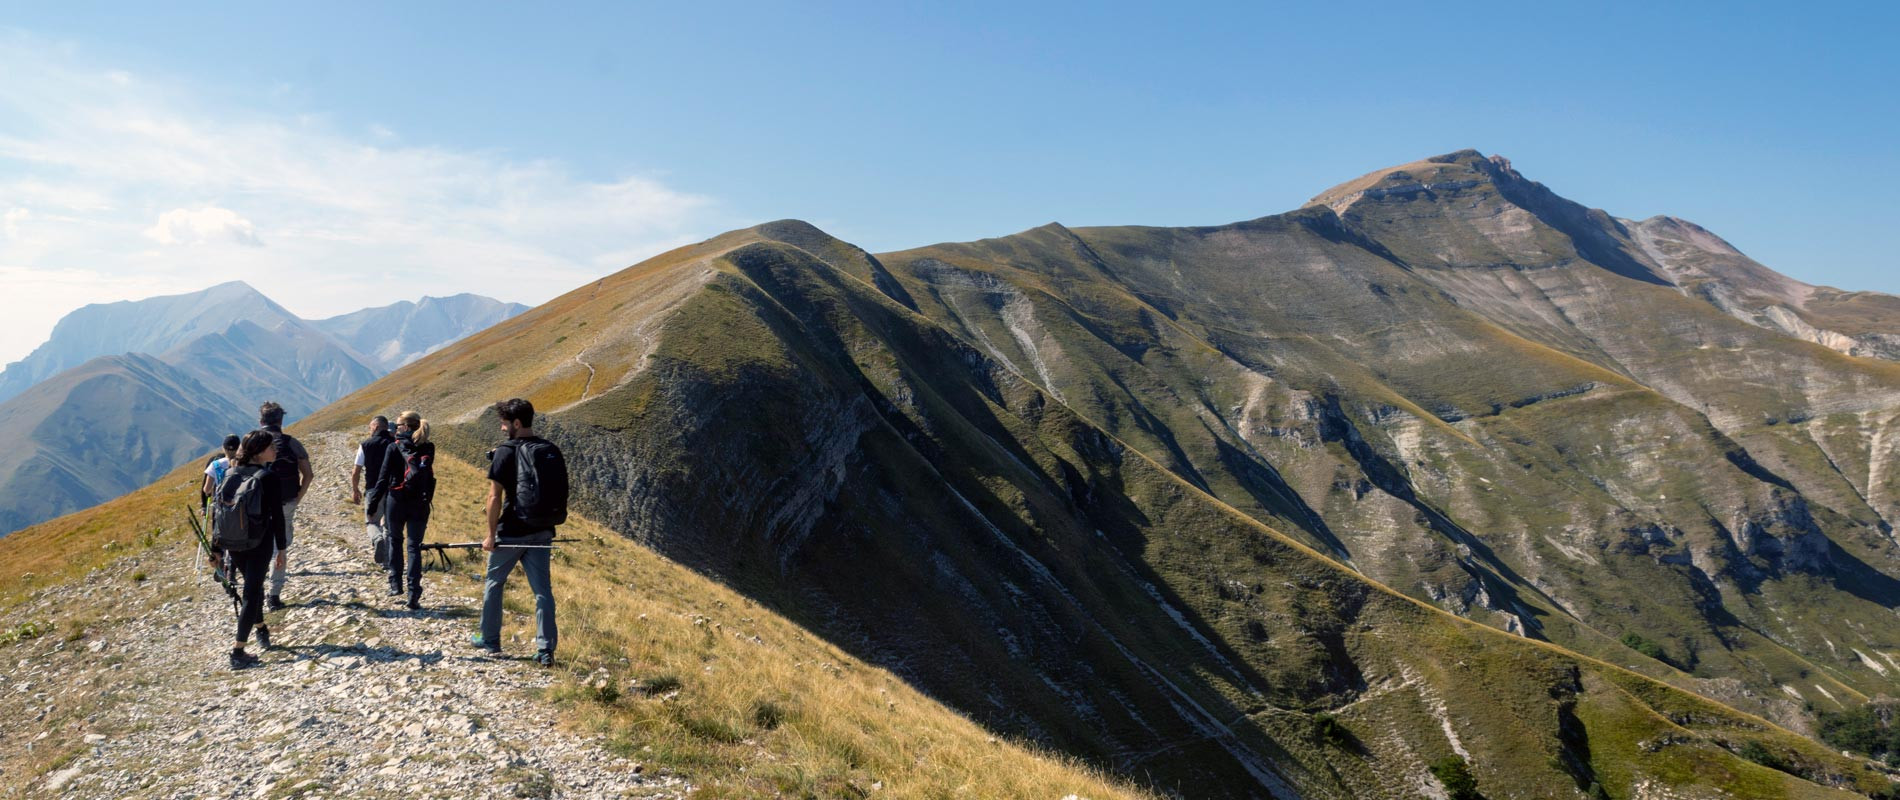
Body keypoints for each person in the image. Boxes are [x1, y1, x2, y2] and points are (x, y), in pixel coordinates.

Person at [471, 398, 565, 666]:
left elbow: (494, 498)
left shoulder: (505, 451)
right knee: (542, 591)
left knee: (494, 582)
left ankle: (489, 639)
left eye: (503, 424)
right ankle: (546, 650)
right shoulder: (548, 448)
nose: (502, 429)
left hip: (511, 532)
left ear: (516, 423)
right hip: (543, 531)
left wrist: (490, 535)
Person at [218, 430, 288, 670]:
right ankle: (238, 651)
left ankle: (260, 627)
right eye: (271, 447)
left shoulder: (229, 473)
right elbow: (278, 517)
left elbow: (220, 513)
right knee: (251, 592)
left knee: (253, 588)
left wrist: (216, 549)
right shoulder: (267, 477)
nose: (275, 450)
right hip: (259, 542)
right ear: (258, 452)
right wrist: (282, 549)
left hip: (233, 542)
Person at [376, 411, 436, 609]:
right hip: (419, 503)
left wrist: (373, 503)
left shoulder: (393, 447)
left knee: (394, 540)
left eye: (399, 425)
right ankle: (414, 593)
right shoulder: (428, 447)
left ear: (406, 427)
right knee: (414, 547)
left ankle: (395, 585)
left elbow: (383, 478)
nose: (396, 428)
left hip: (396, 500)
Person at [258, 402, 313, 610]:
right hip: (285, 502)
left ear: (261, 420)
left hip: (257, 505)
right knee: (279, 548)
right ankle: (274, 595)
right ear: (281, 420)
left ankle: (256, 589)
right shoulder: (292, 443)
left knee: (257, 546)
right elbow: (308, 474)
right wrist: (297, 498)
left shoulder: (251, 443)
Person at [351, 415, 396, 560]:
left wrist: (355, 489)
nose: (369, 430)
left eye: (370, 427)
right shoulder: (395, 443)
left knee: (371, 521)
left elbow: (356, 471)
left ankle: (377, 539)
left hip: (373, 489)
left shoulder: (365, 444)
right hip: (393, 490)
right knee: (389, 525)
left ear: (376, 427)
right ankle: (388, 559)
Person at [199, 434, 241, 511]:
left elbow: (206, 489)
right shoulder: (245, 463)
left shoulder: (215, 464)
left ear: (223, 448)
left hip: (221, 508)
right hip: (240, 505)